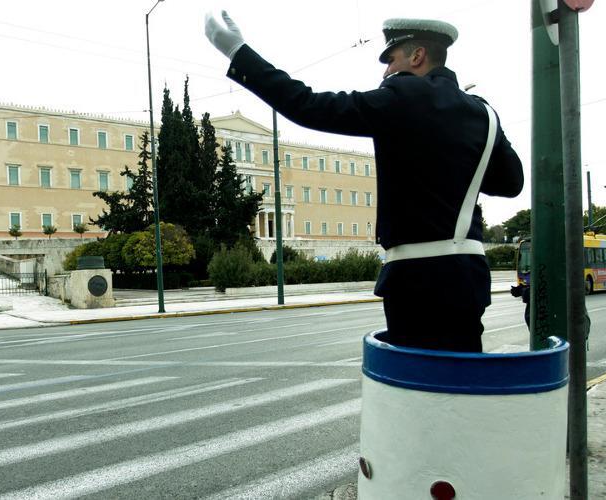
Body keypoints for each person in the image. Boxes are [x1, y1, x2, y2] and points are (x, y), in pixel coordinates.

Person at [205, 13, 523, 352]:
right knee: (461, 384)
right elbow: (510, 183)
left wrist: (239, 53)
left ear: (417, 57)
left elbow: (308, 105)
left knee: (417, 391)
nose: (386, 71)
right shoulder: (483, 112)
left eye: (392, 60)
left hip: (416, 279)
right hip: (468, 276)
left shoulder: (400, 96)